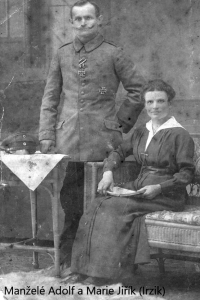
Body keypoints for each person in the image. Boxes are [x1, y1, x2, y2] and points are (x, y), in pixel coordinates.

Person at [39, 0, 145, 262]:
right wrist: (46, 135)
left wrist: (119, 125)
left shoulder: (113, 53)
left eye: (89, 18)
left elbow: (138, 91)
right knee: (71, 204)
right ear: (72, 23)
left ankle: (96, 263)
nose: (84, 23)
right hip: (69, 142)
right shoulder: (62, 54)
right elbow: (50, 98)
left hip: (103, 143)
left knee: (99, 204)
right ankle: (67, 261)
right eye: (78, 19)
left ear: (100, 19)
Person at [69, 79, 195, 285]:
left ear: (169, 103)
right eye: (150, 102)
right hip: (140, 187)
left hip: (167, 194)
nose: (155, 107)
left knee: (114, 208)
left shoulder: (179, 134)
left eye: (160, 101)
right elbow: (118, 151)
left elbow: (186, 174)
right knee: (97, 203)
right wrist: (108, 171)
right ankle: (81, 269)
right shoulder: (141, 131)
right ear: (145, 105)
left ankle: (103, 274)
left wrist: (159, 187)